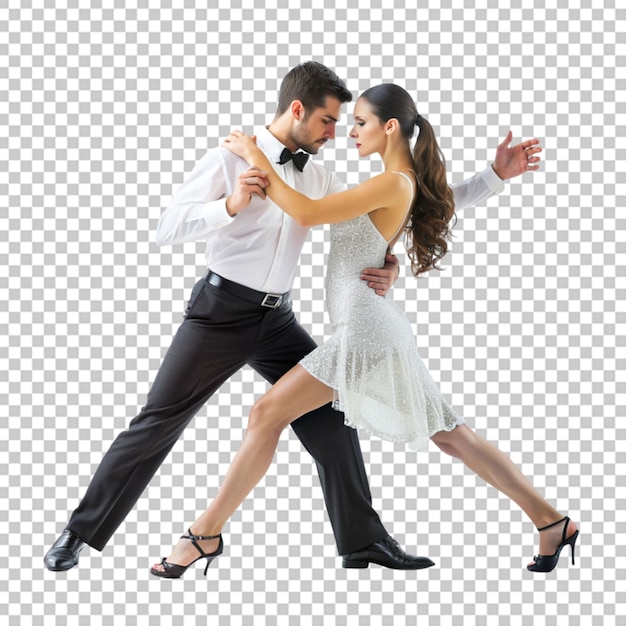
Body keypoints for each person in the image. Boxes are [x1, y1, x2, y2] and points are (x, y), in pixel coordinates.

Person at [44, 62, 534, 574]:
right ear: (297, 109)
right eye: (327, 120)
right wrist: (229, 206)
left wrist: (489, 181)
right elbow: (167, 227)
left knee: (331, 420)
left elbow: (406, 202)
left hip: (278, 319)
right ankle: (79, 533)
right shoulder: (230, 158)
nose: (336, 132)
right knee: (158, 421)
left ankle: (362, 540)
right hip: (219, 315)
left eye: (345, 122)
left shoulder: (318, 174)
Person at [150, 83, 577, 578]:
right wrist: (495, 177)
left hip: (364, 332)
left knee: (266, 414)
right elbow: (441, 202)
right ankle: (552, 522)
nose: (349, 133)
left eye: (359, 123)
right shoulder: (394, 181)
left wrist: (253, 153)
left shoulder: (395, 182)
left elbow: (306, 212)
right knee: (451, 435)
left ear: (389, 127)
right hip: (373, 328)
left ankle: (203, 535)